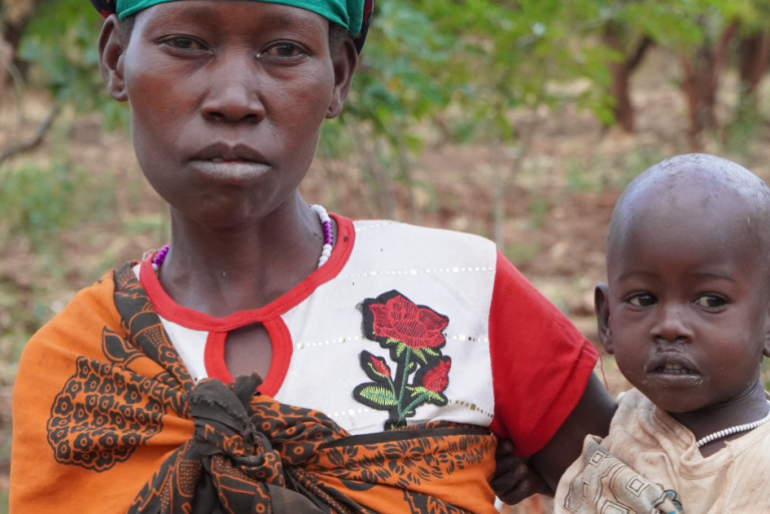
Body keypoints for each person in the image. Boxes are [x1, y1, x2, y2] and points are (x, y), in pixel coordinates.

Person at [10, 1, 616, 512]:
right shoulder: (74, 362)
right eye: (185, 43)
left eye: (283, 51)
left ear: (340, 76)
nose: (233, 98)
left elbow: (647, 475)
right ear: (117, 59)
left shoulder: (463, 289)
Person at [555, 154, 770, 514]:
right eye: (643, 298)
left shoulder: (761, 466)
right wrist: (535, 478)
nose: (670, 325)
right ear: (608, 320)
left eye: (710, 300)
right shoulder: (619, 422)